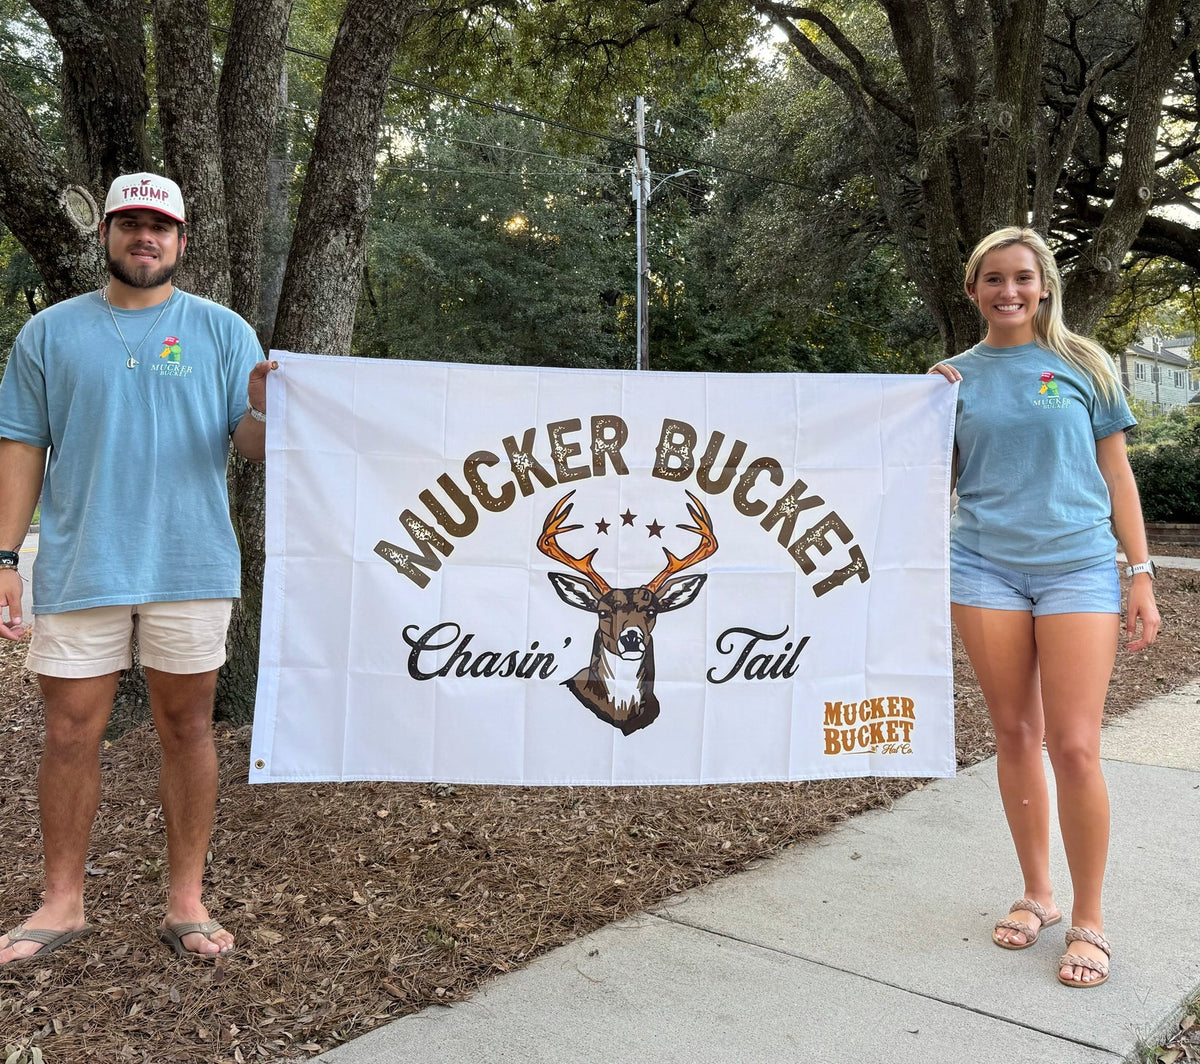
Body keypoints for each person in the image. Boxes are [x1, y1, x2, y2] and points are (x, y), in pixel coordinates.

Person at [0, 172, 278, 964]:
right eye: (129, 223)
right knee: (66, 731)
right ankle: (62, 901)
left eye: (159, 226)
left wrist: (262, 406)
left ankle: (186, 900)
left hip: (190, 564)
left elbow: (249, 445)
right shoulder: (49, 334)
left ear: (182, 242)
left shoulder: (223, 331)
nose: (144, 237)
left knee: (188, 728)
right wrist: (6, 557)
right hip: (85, 559)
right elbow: (20, 444)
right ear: (107, 235)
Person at [929, 227, 1160, 988]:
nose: (1009, 291)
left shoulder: (1085, 365)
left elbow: (1117, 475)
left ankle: (1089, 920)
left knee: (1075, 744)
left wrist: (1142, 574)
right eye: (993, 279)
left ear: (1044, 284)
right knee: (1015, 733)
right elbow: (928, 480)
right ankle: (1038, 894)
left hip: (1078, 569)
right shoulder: (951, 380)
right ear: (973, 290)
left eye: (1022, 277)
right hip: (984, 567)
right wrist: (924, 409)